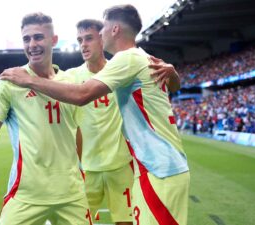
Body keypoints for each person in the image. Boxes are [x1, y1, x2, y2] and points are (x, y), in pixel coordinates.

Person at [0, 4, 190, 225]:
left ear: (115, 29)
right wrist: (174, 73)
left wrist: (29, 79)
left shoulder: (126, 60)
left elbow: (81, 95)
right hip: (133, 167)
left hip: (157, 166)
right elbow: (172, 85)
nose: (100, 34)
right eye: (80, 40)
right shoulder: (139, 59)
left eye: (101, 30)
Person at [0, 12, 92, 225]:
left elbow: (77, 131)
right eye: (26, 39)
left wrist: (77, 169)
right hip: (26, 194)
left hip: (71, 193)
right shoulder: (9, 83)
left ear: (54, 40)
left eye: (38, 37)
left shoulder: (72, 82)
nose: (32, 44)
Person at [67, 19, 181, 225]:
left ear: (102, 39)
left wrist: (173, 74)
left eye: (89, 38)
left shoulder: (124, 69)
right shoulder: (72, 77)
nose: (83, 44)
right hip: (86, 168)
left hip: (121, 165)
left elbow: (170, 85)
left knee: (127, 222)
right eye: (79, 40)